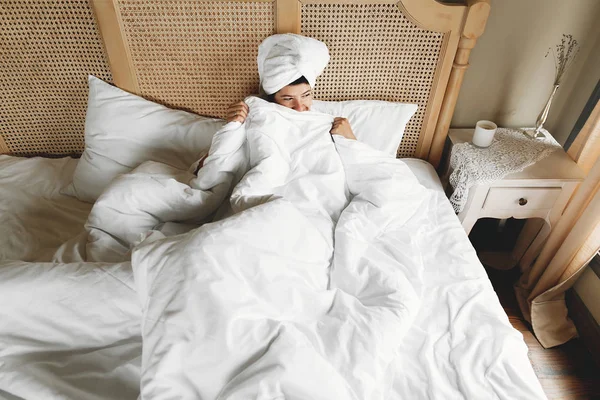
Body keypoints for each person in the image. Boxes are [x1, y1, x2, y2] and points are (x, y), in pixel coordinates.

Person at [226, 34, 356, 141]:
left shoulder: (326, 122)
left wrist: (350, 139)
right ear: (272, 99)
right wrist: (232, 128)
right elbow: (212, 165)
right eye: (288, 99)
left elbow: (366, 167)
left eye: (305, 95)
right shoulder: (257, 118)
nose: (299, 108)